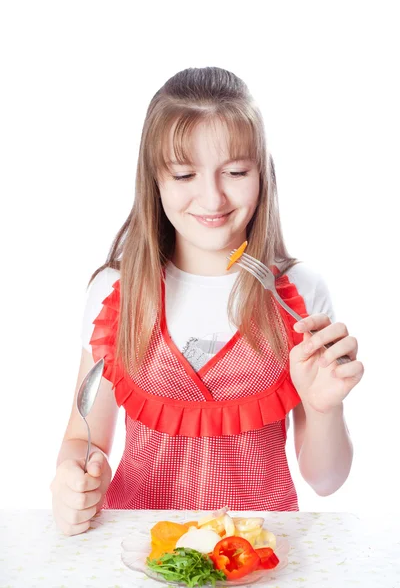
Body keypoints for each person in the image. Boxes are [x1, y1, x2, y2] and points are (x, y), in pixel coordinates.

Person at [50, 66, 364, 536]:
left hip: (258, 555)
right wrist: (71, 481)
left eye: (236, 172)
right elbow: (82, 439)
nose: (212, 197)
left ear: (263, 174)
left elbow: (326, 479)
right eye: (184, 174)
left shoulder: (298, 294)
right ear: (154, 180)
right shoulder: (117, 292)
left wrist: (324, 407)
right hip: (140, 552)